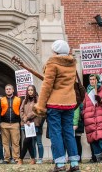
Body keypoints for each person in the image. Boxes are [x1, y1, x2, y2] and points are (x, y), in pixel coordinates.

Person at [33, 40, 80, 172]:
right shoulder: (72, 64)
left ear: (56, 51)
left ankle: (59, 164)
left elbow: (47, 86)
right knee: (69, 133)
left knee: (56, 133)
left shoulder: (53, 64)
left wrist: (40, 105)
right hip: (69, 103)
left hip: (55, 103)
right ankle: (74, 162)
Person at [83, 74, 102, 163]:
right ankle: (99, 158)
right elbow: (84, 106)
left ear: (97, 80)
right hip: (90, 120)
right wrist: (84, 114)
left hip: (101, 119)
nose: (92, 81)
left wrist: (101, 100)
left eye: (93, 79)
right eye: (90, 79)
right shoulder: (87, 93)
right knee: (93, 140)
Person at [18, 85, 42, 165]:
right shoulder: (25, 100)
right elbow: (21, 111)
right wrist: (25, 119)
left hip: (34, 123)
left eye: (32, 90)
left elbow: (37, 110)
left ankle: (20, 158)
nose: (30, 91)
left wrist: (27, 118)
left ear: (34, 91)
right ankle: (33, 159)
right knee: (29, 142)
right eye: (29, 90)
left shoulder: (38, 100)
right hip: (25, 124)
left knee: (27, 140)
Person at [0, 84, 21, 164]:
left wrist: (20, 121)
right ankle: (7, 158)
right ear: (5, 91)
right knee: (5, 142)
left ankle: (16, 158)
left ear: (13, 90)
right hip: (4, 123)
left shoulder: (18, 99)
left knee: (15, 142)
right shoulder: (1, 100)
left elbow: (20, 111)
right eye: (7, 89)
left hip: (15, 123)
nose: (8, 90)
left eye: (9, 89)